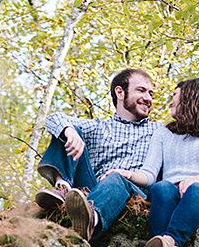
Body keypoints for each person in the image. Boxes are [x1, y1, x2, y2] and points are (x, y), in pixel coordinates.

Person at [75, 77, 199, 247]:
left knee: (196, 189)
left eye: (174, 97)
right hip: (172, 189)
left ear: (191, 97)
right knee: (161, 188)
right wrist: (127, 174)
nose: (170, 102)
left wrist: (195, 180)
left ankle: (169, 241)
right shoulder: (164, 133)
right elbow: (150, 174)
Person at [33, 68, 157, 219]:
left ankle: (92, 219)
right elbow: (53, 118)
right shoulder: (99, 127)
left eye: (151, 94)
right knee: (68, 130)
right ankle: (63, 188)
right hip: (91, 188)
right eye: (141, 90)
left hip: (130, 190)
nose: (148, 98)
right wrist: (69, 131)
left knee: (116, 178)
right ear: (119, 92)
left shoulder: (157, 131)